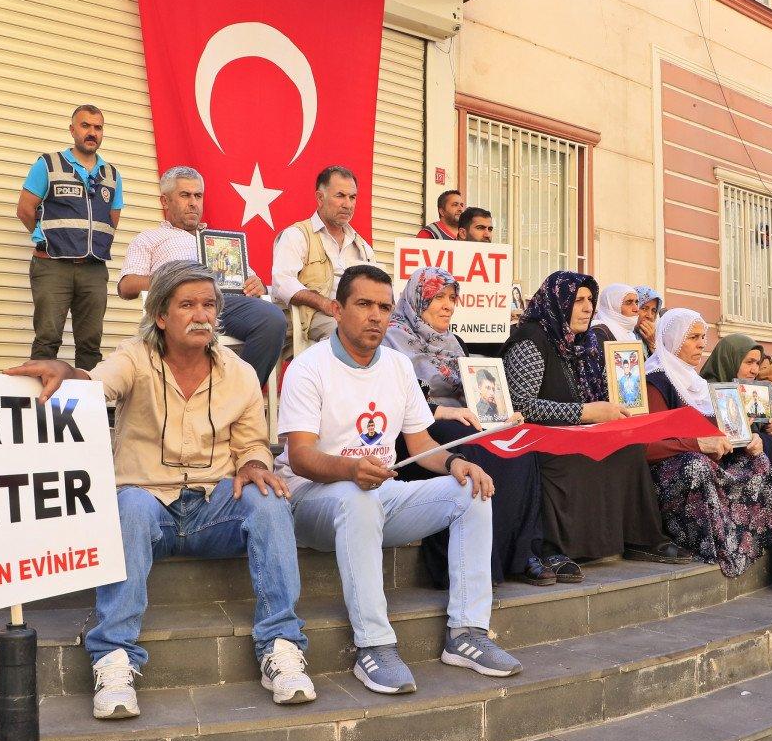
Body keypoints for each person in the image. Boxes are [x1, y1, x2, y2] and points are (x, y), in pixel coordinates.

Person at [5, 261, 314, 719]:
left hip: (214, 509)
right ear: (161, 316)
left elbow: (252, 441)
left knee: (268, 499)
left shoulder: (240, 373)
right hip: (149, 507)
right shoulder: (135, 356)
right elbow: (95, 384)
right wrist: (66, 370)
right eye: (186, 304)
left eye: (208, 305)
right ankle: (113, 659)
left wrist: (253, 463)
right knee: (128, 503)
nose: (200, 315)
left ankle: (281, 648)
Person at [277, 264, 522, 695]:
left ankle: (467, 633)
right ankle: (374, 644)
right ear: (337, 308)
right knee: (357, 498)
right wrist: (351, 470)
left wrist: (453, 464)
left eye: (384, 307)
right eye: (364, 305)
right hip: (312, 503)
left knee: (472, 492)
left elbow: (421, 441)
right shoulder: (308, 367)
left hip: (379, 497)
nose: (376, 316)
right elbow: (299, 457)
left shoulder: (396, 365)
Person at [502, 271, 692, 582]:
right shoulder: (531, 340)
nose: (588, 308)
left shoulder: (587, 342)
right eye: (578, 301)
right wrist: (585, 413)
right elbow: (521, 404)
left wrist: (620, 402)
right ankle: (552, 548)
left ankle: (641, 539)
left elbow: (605, 394)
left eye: (590, 300)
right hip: (537, 434)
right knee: (566, 460)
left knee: (628, 449)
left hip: (577, 429)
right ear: (559, 302)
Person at [383, 267, 551, 587]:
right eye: (437, 297)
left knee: (517, 445)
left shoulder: (453, 341)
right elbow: (391, 399)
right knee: (473, 447)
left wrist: (500, 414)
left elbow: (474, 393)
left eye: (452, 298)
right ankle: (476, 562)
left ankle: (520, 553)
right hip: (415, 429)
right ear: (417, 300)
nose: (448, 305)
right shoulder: (392, 339)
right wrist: (439, 411)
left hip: (461, 418)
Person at [115, 166, 287, 387]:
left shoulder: (219, 240)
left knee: (272, 319)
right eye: (185, 195)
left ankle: (235, 398)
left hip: (224, 304)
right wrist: (174, 280)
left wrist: (258, 285)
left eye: (198, 196)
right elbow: (126, 287)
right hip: (179, 305)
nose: (193, 203)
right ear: (165, 201)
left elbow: (248, 281)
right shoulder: (151, 238)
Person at [644, 310, 772, 578]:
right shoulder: (655, 380)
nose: (702, 344)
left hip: (704, 457)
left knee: (758, 460)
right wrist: (697, 444)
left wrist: (749, 439)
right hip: (667, 470)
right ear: (673, 339)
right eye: (693, 337)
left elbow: (727, 432)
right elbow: (647, 446)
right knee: (697, 464)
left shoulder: (699, 384)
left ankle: (747, 539)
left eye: (703, 337)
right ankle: (708, 541)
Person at [16, 104, 123, 370]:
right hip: (53, 265)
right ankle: (40, 406)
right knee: (47, 340)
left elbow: (112, 219)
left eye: (97, 127)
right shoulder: (48, 164)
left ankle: (86, 406)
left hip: (93, 270)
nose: (92, 132)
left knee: (90, 344)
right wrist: (47, 238)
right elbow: (25, 210)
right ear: (72, 129)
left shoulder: (111, 175)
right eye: (85, 126)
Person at [701, 333, 772, 527]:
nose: (755, 370)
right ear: (729, 359)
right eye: (749, 362)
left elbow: (761, 430)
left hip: (751, 450)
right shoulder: (706, 390)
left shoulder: (751, 391)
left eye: (757, 363)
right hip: (726, 459)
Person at [272, 166, 375, 343]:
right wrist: (324, 303)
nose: (348, 204)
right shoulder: (297, 235)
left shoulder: (362, 246)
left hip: (356, 316)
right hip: (313, 316)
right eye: (340, 196)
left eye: (352, 197)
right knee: (347, 335)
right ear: (320, 198)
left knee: (392, 336)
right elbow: (282, 282)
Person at [591, 283, 662, 358]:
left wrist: (653, 344)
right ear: (615, 306)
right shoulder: (599, 332)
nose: (649, 316)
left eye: (654, 311)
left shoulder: (630, 335)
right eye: (644, 308)